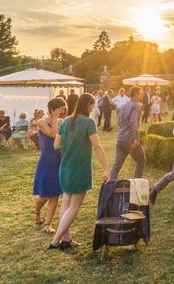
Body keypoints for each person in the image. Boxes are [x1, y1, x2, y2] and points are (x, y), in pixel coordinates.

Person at [49, 93, 110, 250]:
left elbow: (56, 145)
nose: (93, 107)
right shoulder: (89, 122)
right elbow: (97, 146)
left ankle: (67, 239)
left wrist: (69, 145)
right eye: (93, 105)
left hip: (64, 168)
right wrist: (106, 168)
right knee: (74, 205)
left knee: (66, 203)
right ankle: (56, 241)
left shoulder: (66, 121)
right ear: (88, 105)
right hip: (79, 169)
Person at [33, 98, 66, 234]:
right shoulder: (41, 122)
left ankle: (47, 224)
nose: (63, 111)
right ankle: (37, 213)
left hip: (59, 160)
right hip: (47, 161)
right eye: (61, 108)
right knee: (45, 194)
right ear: (53, 109)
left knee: (55, 194)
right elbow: (52, 134)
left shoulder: (61, 122)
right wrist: (55, 117)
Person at [109, 86, 145, 181]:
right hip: (130, 140)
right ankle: (136, 187)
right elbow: (133, 122)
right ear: (136, 95)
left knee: (116, 166)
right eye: (141, 93)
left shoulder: (124, 105)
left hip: (120, 138)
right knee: (141, 161)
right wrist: (135, 139)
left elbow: (119, 121)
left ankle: (109, 188)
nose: (143, 95)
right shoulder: (136, 106)